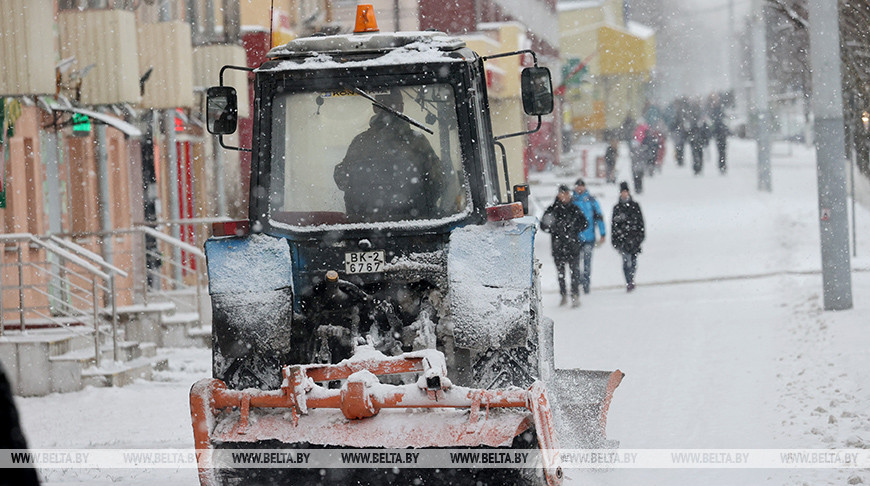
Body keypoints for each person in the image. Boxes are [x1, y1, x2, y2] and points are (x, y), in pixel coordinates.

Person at [334, 89, 446, 222]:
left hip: (367, 227)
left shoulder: (361, 142)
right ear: (401, 107)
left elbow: (342, 179)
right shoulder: (417, 142)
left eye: (389, 103)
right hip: (413, 227)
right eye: (384, 103)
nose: (388, 108)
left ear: (375, 108)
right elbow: (438, 181)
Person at [541, 185, 589, 307]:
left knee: (575, 273)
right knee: (561, 274)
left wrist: (573, 229)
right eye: (563, 194)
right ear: (558, 195)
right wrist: (554, 228)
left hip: (573, 247)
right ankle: (563, 295)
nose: (565, 196)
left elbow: (585, 223)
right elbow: (543, 226)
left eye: (567, 194)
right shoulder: (552, 210)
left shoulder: (574, 209)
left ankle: (575, 295)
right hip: (558, 248)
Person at [572, 179, 606, 294]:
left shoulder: (591, 201)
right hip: (575, 237)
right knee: (576, 263)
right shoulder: (572, 201)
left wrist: (602, 233)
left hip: (589, 237)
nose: (580, 189)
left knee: (587, 261)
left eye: (582, 186)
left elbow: (599, 217)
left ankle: (586, 283)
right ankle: (579, 280)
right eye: (578, 186)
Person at [611, 181, 645, 292]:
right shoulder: (617, 208)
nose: (624, 194)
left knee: (633, 261)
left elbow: (641, 222)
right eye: (623, 192)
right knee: (626, 261)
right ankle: (628, 281)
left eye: (626, 192)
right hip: (623, 239)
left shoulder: (635, 206)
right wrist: (616, 239)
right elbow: (614, 225)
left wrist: (640, 236)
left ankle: (631, 278)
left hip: (634, 238)